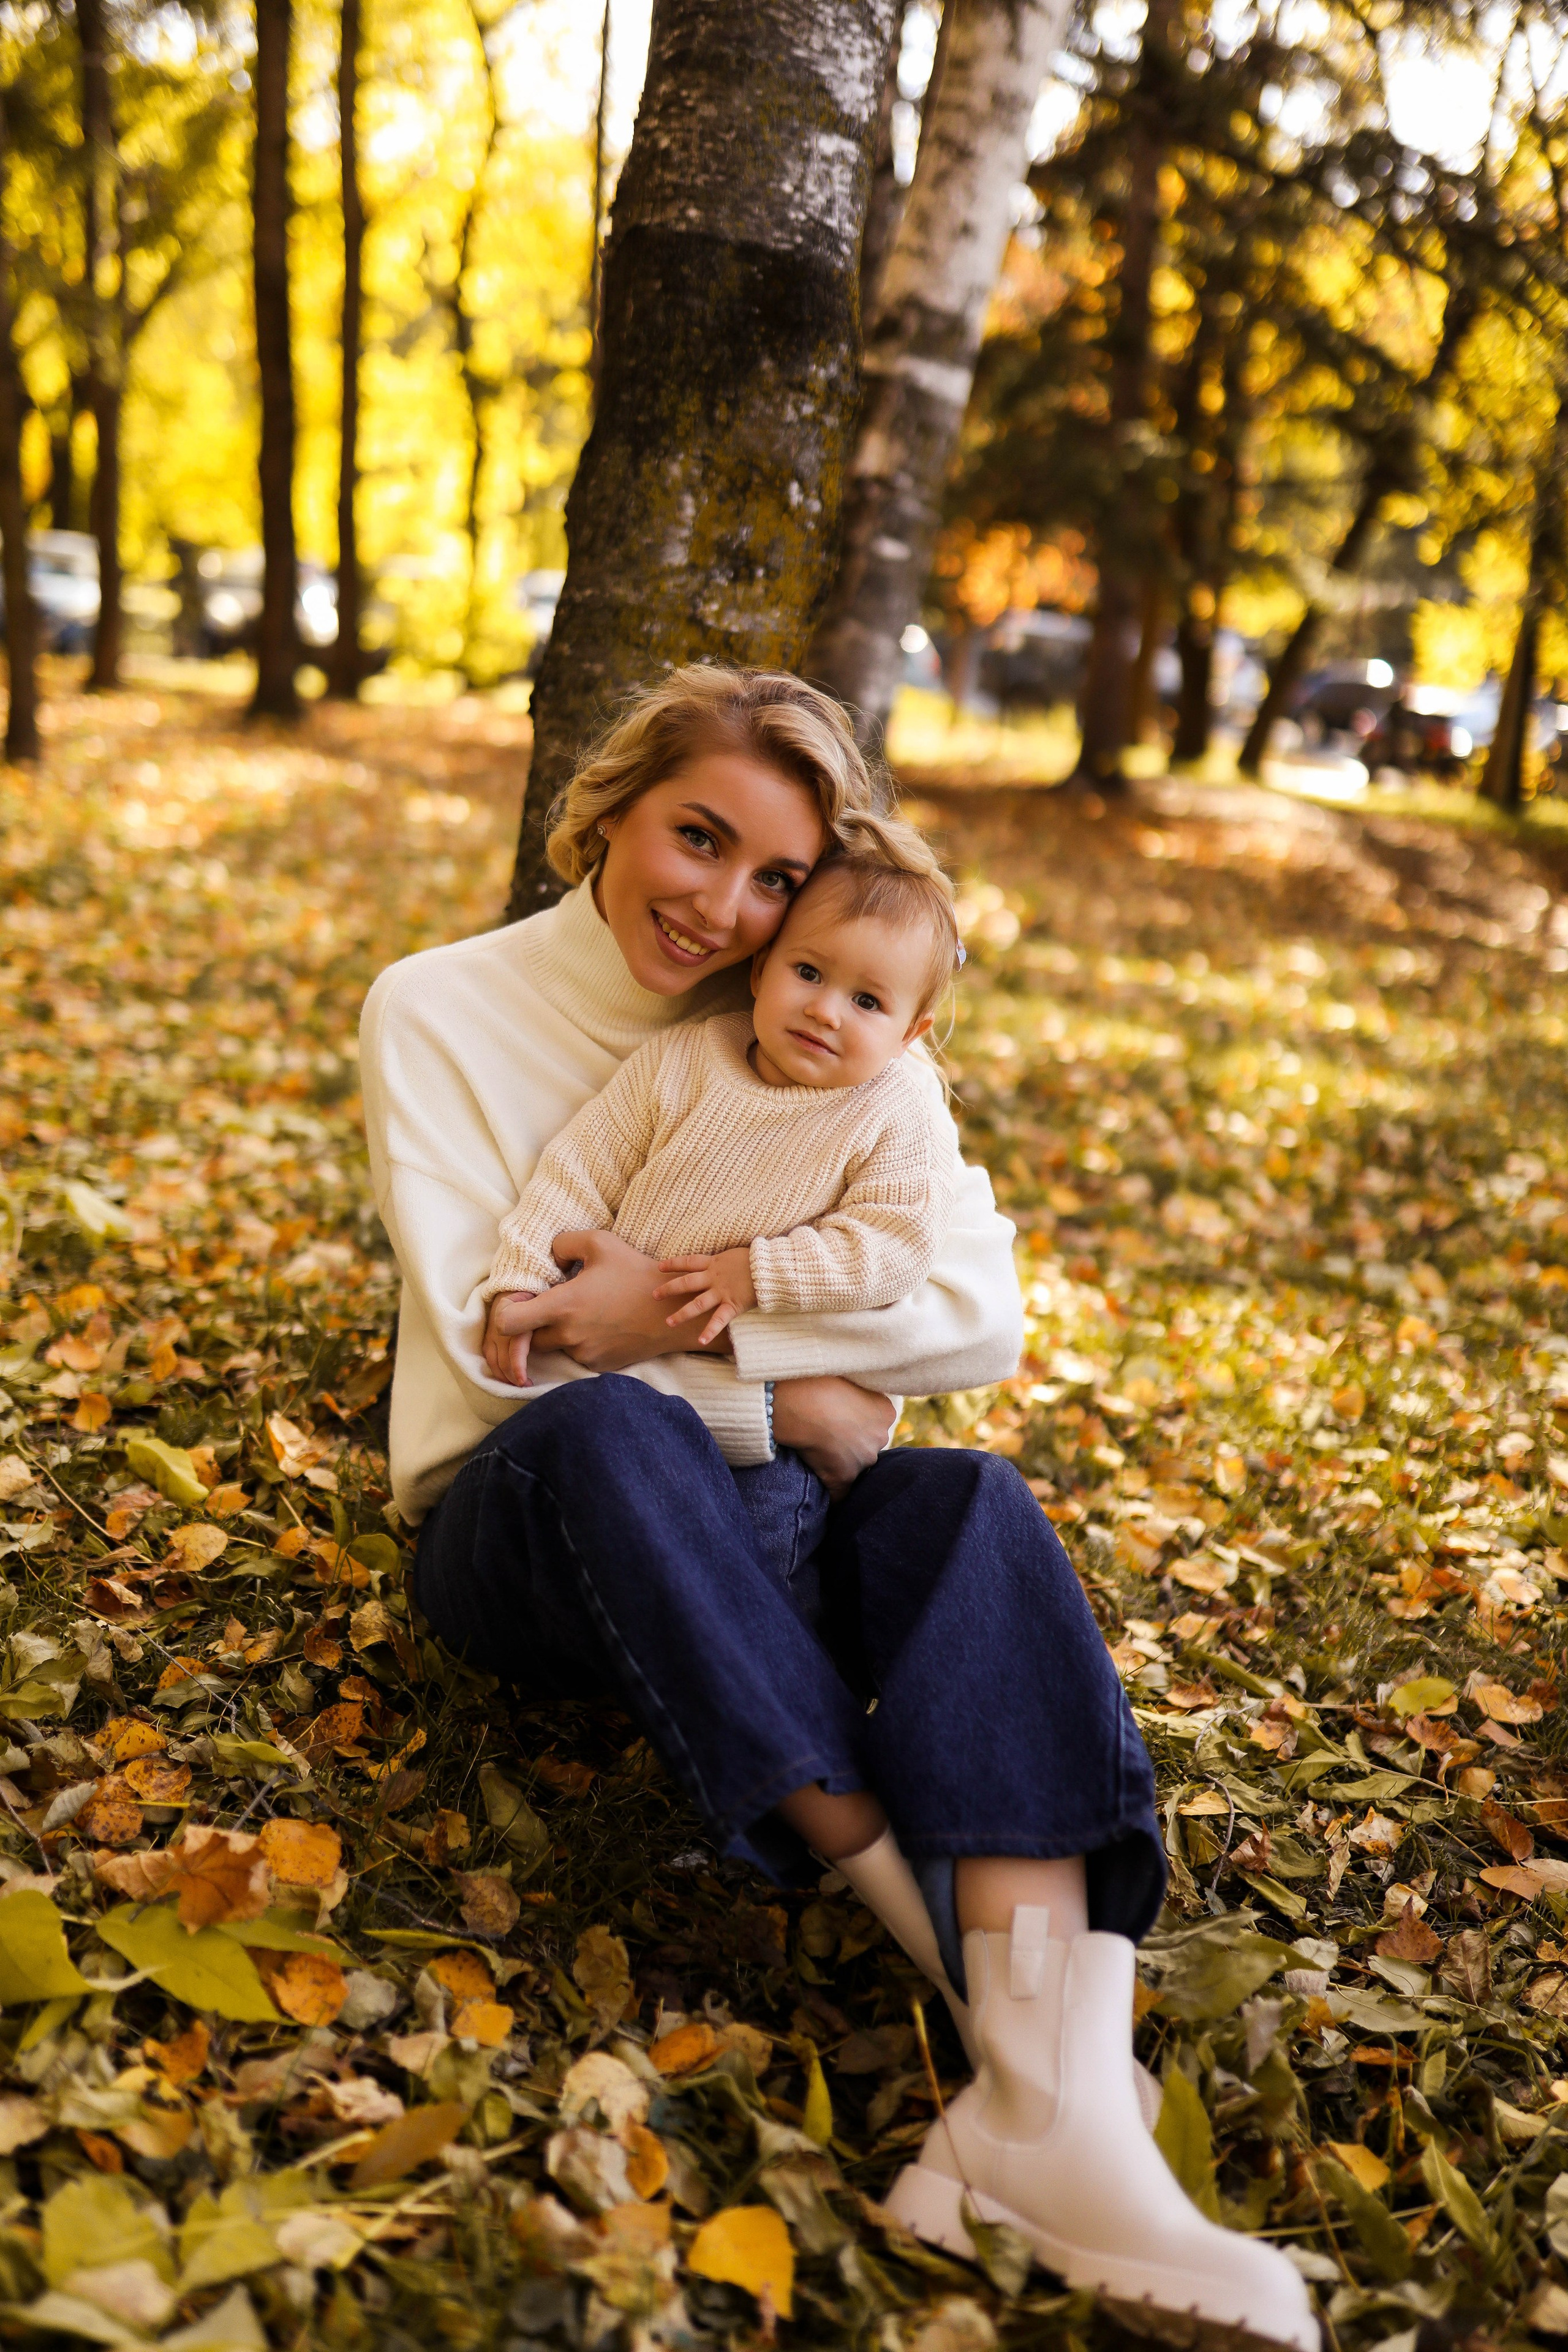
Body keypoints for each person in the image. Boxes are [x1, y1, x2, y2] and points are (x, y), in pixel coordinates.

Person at [359, 665, 1315, 2350]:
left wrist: (725, 1353)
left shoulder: (841, 1018)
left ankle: (1045, 2102)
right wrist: (789, 1389)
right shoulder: (439, 1009)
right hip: (527, 1525)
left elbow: (977, 1323)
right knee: (611, 1437)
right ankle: (937, 1954)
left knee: (959, 1495)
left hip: (757, 1514)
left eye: (774, 879)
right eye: (695, 838)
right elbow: (509, 1354)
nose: (724, 907)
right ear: (609, 812)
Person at [478, 811, 962, 1389]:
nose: (825, 1011)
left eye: (866, 1002)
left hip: (761, 1396)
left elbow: (895, 1241)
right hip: (610, 1375)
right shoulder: (685, 1061)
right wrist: (521, 1277)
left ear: (910, 1033)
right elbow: (580, 1171)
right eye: (808, 972)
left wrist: (758, 1273)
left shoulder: (893, 1113)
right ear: (761, 970)